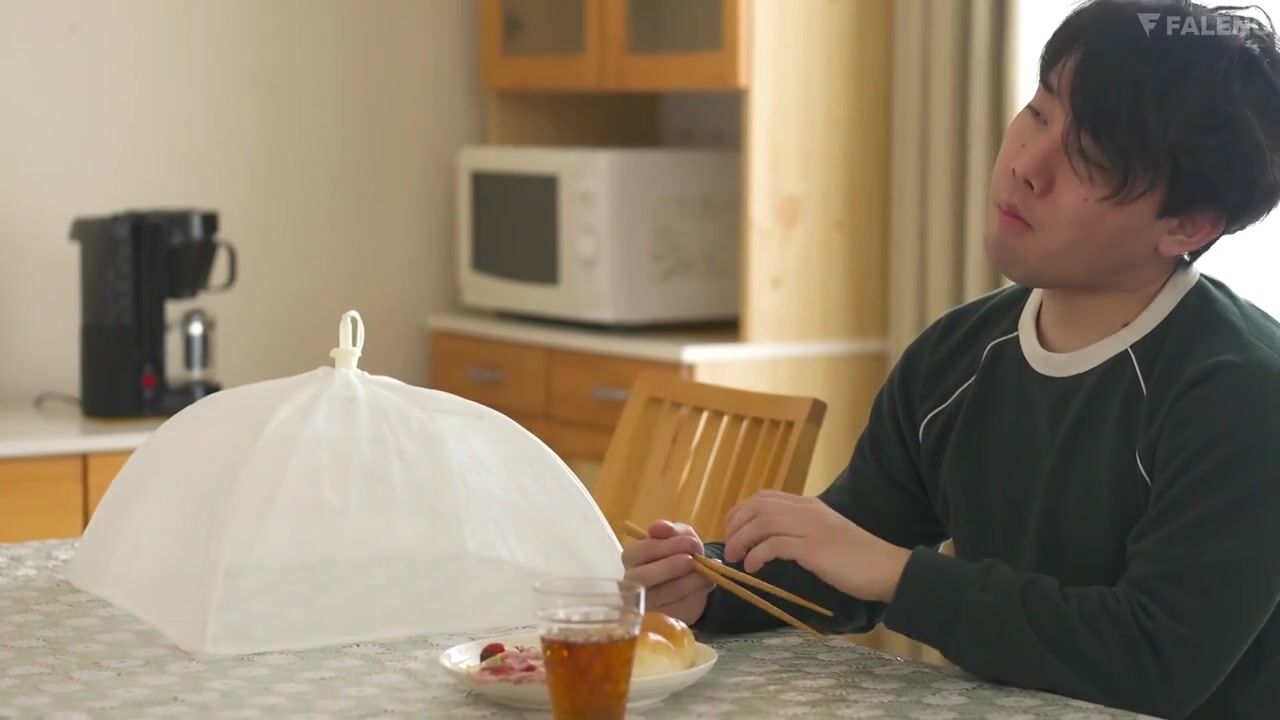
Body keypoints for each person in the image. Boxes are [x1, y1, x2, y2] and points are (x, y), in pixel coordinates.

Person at [621, 1, 1280, 718]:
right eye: (1039, 112)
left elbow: (1154, 660)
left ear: (1187, 225)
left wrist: (899, 575)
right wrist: (709, 584)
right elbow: (846, 559)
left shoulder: (1244, 393)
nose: (1026, 164)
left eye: (1089, 157)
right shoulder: (958, 354)